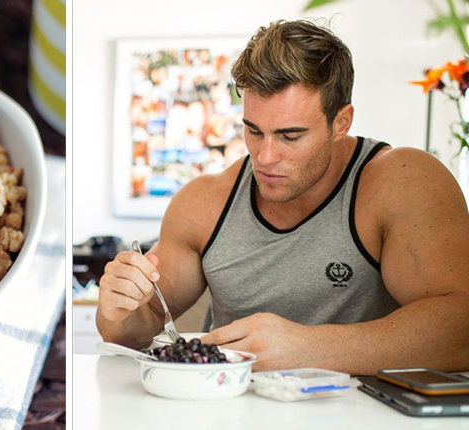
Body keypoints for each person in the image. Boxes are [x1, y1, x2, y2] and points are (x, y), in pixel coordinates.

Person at [97, 19, 469, 374]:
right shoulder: (203, 202)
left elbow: (461, 326)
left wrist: (311, 348)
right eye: (254, 131)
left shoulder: (404, 182)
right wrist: (119, 308)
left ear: (341, 122)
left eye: (290, 136)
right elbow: (134, 332)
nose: (265, 156)